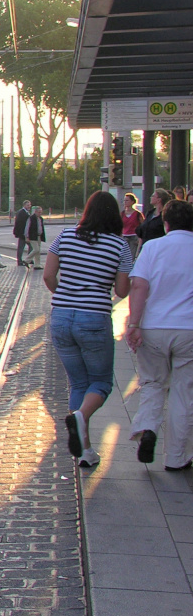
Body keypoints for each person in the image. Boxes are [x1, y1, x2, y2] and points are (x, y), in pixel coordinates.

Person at [44, 191, 133, 468]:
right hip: (94, 318)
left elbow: (48, 275)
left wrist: (66, 296)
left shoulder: (65, 237)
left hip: (60, 317)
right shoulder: (119, 247)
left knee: (79, 383)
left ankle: (85, 451)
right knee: (102, 383)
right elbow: (121, 290)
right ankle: (80, 418)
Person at [123, 199, 193, 469]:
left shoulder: (153, 247)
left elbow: (139, 286)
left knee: (152, 383)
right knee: (183, 391)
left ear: (165, 224)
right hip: (188, 330)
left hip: (154, 327)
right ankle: (177, 457)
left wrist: (134, 324)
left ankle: (149, 427)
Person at [121, 192, 142, 259]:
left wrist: (139, 238)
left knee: (131, 256)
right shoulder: (122, 214)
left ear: (132, 202)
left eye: (127, 200)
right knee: (124, 256)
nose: (125, 202)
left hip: (134, 237)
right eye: (124, 200)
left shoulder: (137, 214)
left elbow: (142, 226)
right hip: (124, 236)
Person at [13, 199, 33, 267]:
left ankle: (28, 259)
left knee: (30, 246)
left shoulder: (26, 212)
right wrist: (20, 233)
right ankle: (20, 261)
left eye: (30, 205)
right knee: (21, 247)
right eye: (28, 205)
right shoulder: (21, 212)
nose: (29, 206)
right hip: (23, 233)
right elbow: (19, 224)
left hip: (25, 233)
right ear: (24, 205)